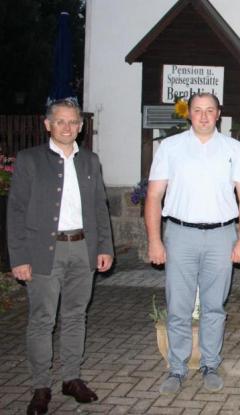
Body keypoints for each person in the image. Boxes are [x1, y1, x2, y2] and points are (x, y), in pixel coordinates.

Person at [8, 99, 113, 414]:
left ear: (81, 127)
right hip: (43, 251)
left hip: (82, 248)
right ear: (48, 124)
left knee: (75, 316)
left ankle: (71, 378)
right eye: (61, 121)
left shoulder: (90, 161)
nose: (67, 127)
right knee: (42, 320)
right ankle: (41, 386)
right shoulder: (29, 160)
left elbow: (99, 207)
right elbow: (15, 211)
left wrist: (105, 247)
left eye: (73, 122)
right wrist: (19, 257)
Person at [146, 92, 240, 394]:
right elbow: (154, 196)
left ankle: (210, 364)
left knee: (214, 306)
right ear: (188, 114)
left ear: (218, 113)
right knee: (178, 306)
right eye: (198, 110)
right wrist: (154, 240)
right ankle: (177, 368)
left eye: (210, 110)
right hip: (180, 234)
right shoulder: (170, 147)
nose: (204, 116)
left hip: (222, 235)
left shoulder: (233, 149)